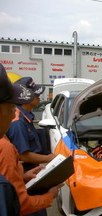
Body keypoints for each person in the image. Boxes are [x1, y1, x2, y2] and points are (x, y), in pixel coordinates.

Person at [0, 63, 62, 215]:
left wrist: (22, 177)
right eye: (10, 108)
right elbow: (20, 204)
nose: (13, 113)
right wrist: (50, 196)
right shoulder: (8, 141)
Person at [7, 77, 56, 172]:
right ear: (24, 96)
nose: (39, 95)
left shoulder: (25, 116)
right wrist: (50, 158)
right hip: (24, 170)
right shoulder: (18, 122)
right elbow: (24, 156)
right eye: (36, 93)